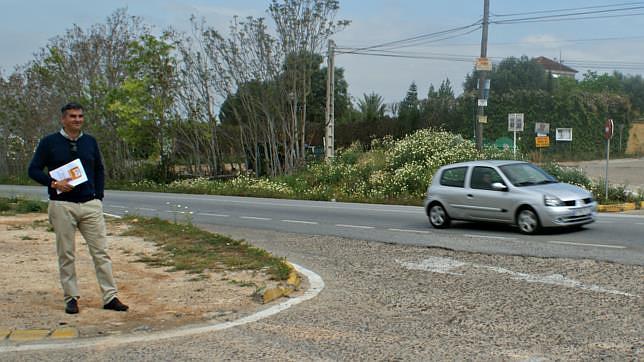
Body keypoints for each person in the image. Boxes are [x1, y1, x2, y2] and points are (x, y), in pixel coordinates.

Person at [28, 102, 128, 314]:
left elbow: (99, 169)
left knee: (101, 252)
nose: (77, 120)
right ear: (63, 119)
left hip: (90, 204)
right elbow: (33, 169)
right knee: (67, 253)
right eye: (72, 116)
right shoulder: (49, 142)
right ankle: (71, 297)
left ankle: (110, 297)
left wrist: (98, 197)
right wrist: (53, 184)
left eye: (80, 116)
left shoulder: (90, 142)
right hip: (62, 205)